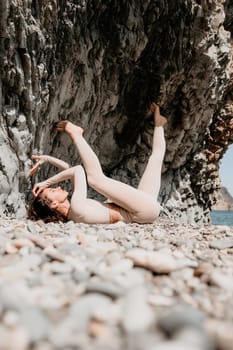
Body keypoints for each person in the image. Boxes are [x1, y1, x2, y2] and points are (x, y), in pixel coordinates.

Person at [28, 103, 167, 224]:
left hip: (143, 208)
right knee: (96, 180)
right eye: (53, 191)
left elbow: (70, 171)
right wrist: (46, 183)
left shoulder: (75, 211)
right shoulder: (77, 210)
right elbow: (77, 170)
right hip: (143, 211)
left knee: (156, 157)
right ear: (54, 205)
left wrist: (47, 159)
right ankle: (76, 134)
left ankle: (159, 124)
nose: (57, 187)